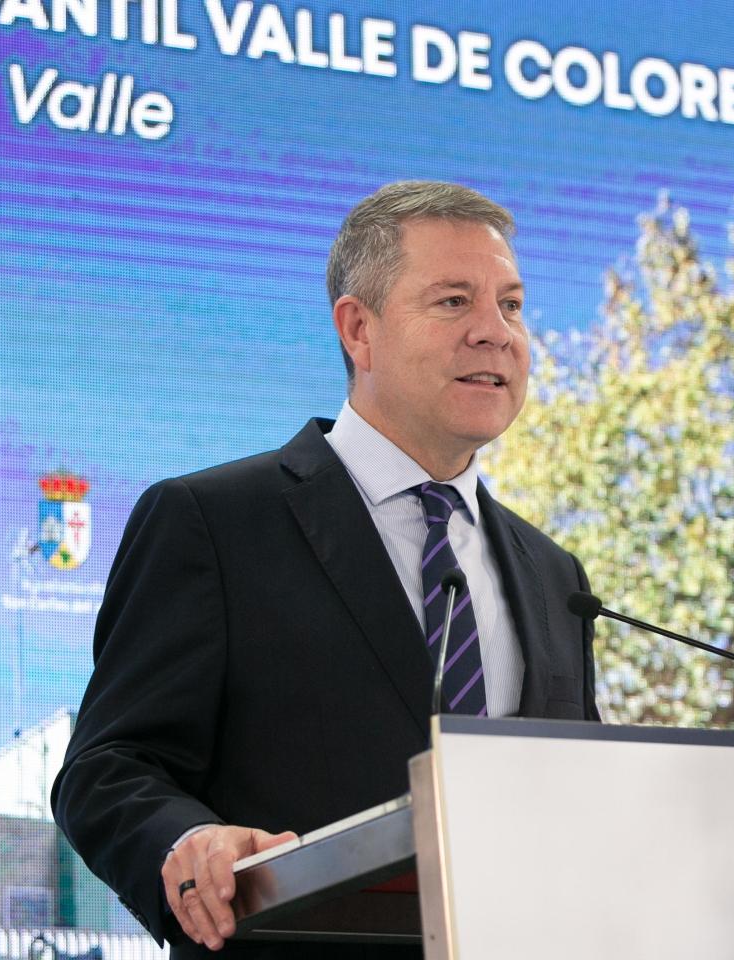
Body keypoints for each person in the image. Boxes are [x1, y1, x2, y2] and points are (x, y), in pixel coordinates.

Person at [51, 182, 600, 959]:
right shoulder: (211, 522)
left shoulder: (554, 575)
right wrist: (192, 840)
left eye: (511, 305)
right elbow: (110, 767)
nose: (495, 333)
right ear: (358, 329)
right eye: (453, 301)